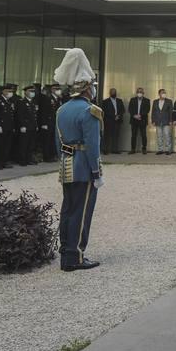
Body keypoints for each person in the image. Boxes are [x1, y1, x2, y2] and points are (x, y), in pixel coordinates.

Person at [53, 48, 103, 272]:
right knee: (81, 212)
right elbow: (93, 146)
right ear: (87, 88)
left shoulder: (61, 110)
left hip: (66, 165)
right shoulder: (90, 110)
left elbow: (58, 142)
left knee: (67, 210)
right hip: (83, 167)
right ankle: (76, 255)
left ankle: (65, 251)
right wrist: (96, 172)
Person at [0, 83, 16, 170]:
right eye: (9, 91)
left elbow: (11, 116)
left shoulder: (9, 101)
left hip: (8, 127)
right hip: (1, 127)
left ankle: (4, 161)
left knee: (7, 146)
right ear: (3, 91)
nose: (10, 93)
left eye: (11, 91)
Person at [14, 84, 40, 166]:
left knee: (31, 144)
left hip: (32, 126)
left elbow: (35, 115)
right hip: (25, 126)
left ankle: (28, 159)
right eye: (30, 91)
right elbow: (20, 115)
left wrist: (36, 125)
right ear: (25, 92)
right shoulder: (21, 102)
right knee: (23, 144)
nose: (32, 93)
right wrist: (22, 125)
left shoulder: (33, 102)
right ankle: (22, 160)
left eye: (33, 91)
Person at [37, 84, 60, 163]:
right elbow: (43, 111)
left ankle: (53, 155)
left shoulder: (58, 99)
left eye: (59, 89)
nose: (58, 90)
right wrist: (44, 123)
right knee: (47, 141)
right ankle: (47, 157)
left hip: (55, 122)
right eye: (56, 89)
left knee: (53, 140)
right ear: (52, 90)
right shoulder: (47, 98)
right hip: (48, 122)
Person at [100, 88, 124, 155]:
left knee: (116, 135)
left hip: (117, 121)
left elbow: (122, 110)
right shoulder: (105, 101)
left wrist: (118, 116)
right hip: (108, 121)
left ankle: (115, 150)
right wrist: (114, 116)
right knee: (107, 136)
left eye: (114, 92)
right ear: (110, 93)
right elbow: (104, 111)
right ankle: (105, 150)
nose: (113, 93)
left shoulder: (120, 101)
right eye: (112, 92)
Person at [127, 87, 150, 155]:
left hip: (142, 120)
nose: (140, 93)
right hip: (134, 120)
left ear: (143, 93)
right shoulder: (132, 100)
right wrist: (134, 115)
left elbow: (147, 109)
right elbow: (130, 109)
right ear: (137, 93)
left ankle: (144, 149)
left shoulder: (147, 100)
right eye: (138, 92)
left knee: (143, 135)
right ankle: (133, 149)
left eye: (141, 92)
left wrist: (140, 116)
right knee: (133, 135)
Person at [152, 88, 174, 155]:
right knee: (159, 136)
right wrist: (153, 120)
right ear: (159, 94)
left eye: (164, 92)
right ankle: (160, 149)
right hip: (158, 121)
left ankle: (168, 150)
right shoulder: (155, 101)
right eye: (162, 93)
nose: (164, 94)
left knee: (167, 135)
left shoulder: (169, 101)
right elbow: (153, 112)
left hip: (166, 121)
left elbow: (171, 112)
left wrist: (171, 120)